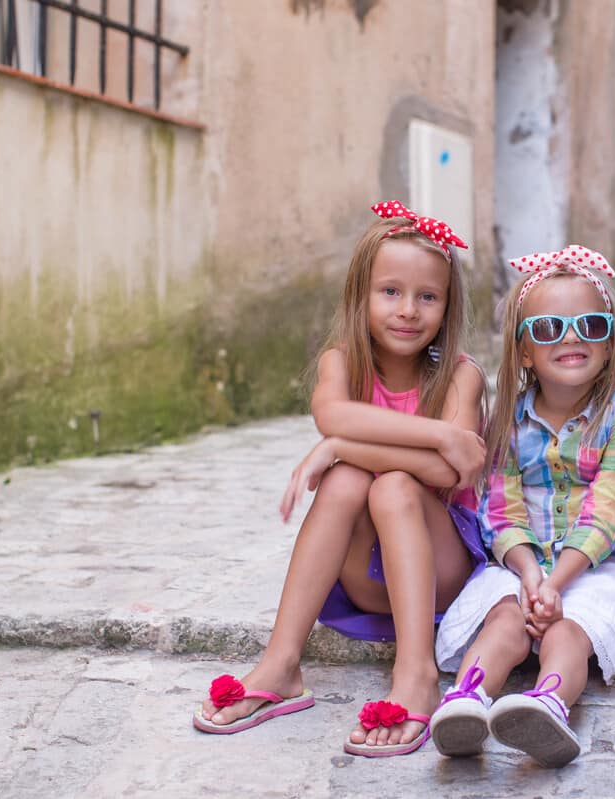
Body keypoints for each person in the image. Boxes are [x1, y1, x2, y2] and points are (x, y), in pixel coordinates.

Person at [192, 201, 488, 759]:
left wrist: (343, 447)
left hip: (440, 576)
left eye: (428, 296)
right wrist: (411, 438)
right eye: (390, 292)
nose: (408, 310)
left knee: (391, 484)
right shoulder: (342, 363)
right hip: (365, 580)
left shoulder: (460, 375)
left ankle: (417, 671)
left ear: (447, 307)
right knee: (347, 482)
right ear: (361, 296)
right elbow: (335, 416)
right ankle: (281, 663)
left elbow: (452, 472)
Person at [429, 246, 615, 768]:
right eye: (550, 327)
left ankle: (548, 705)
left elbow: (607, 516)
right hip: (523, 566)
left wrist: (556, 586)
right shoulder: (507, 421)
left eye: (590, 326)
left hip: (599, 568)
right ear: (525, 350)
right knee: (505, 618)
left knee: (568, 631)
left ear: (609, 344)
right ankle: (465, 702)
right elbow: (501, 511)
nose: (572, 337)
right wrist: (531, 576)